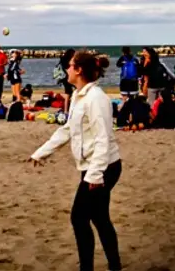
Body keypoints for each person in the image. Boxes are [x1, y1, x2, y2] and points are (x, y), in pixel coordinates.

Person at [30, 51, 121, 271]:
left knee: (78, 218)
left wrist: (95, 175)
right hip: (92, 167)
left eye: (70, 66)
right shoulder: (79, 95)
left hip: (104, 167)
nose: (67, 69)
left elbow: (103, 140)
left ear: (79, 70)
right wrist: (41, 152)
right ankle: (115, 266)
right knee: (99, 218)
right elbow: (68, 129)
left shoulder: (96, 98)